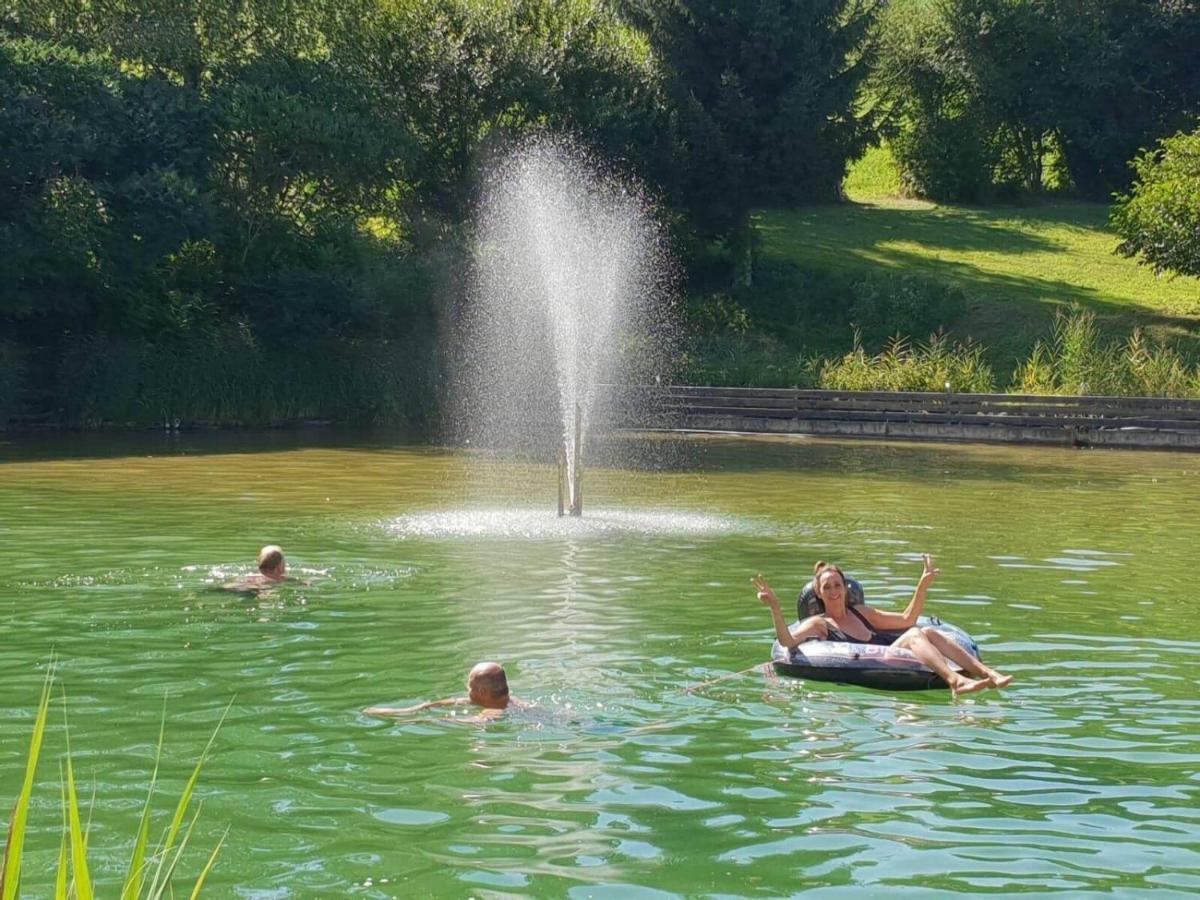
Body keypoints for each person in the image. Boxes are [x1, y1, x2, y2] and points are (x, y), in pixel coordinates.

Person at [752, 555, 1012, 697]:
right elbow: (787, 641)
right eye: (827, 587)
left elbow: (907, 619)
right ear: (818, 594)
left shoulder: (862, 612)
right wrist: (775, 606)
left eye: (837, 585)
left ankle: (988, 673)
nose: (833, 591)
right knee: (914, 635)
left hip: (894, 654)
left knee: (928, 631)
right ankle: (955, 681)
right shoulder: (820, 624)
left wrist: (921, 587)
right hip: (877, 662)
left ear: (845, 588)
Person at [364, 662, 523, 721]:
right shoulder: (502, 699)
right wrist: (419, 708)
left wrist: (422, 721)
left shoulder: (492, 711)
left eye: (470, 687)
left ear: (481, 692)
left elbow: (470, 721)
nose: (467, 691)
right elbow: (458, 701)